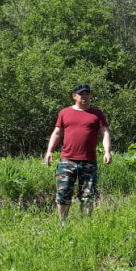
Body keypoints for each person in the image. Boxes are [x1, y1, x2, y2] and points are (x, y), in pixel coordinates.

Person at [44, 84, 112, 224]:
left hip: (88, 161)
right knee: (63, 194)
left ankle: (85, 225)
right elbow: (57, 133)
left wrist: (107, 151)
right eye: (81, 94)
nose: (84, 97)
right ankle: (63, 224)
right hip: (67, 160)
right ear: (74, 96)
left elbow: (104, 132)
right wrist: (49, 151)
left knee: (87, 195)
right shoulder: (64, 112)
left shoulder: (97, 113)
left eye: (87, 94)